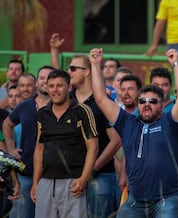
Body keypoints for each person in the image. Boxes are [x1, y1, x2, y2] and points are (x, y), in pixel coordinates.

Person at [89, 47, 178, 217]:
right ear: (138, 104)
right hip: (136, 200)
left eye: (153, 101)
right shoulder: (127, 123)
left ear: (162, 105)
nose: (147, 104)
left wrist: (176, 64)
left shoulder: (170, 123)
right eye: (142, 101)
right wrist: (95, 65)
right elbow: (100, 98)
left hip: (167, 199)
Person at [30, 69, 98, 218]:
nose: (55, 90)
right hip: (46, 182)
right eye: (51, 86)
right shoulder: (42, 114)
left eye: (59, 85)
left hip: (73, 182)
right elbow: (39, 149)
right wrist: (36, 182)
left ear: (69, 87)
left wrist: (83, 178)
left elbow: (93, 147)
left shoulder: (82, 111)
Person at [67, 55, 121, 218]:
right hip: (70, 176)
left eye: (73, 68)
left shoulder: (103, 101)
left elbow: (116, 140)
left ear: (87, 72)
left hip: (101, 175)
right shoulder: (66, 101)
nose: (69, 72)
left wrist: (92, 168)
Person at [3, 66, 55, 218]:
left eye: (48, 78)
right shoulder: (25, 106)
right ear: (37, 83)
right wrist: (11, 149)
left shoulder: (60, 106)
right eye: (42, 78)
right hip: (25, 173)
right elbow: (7, 124)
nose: (45, 81)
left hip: (52, 175)